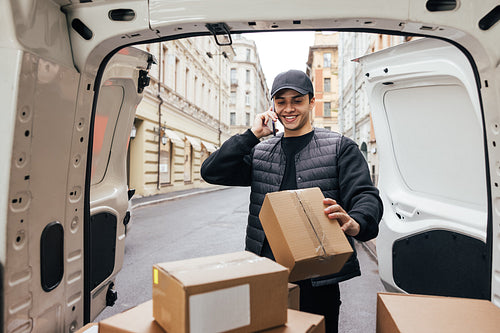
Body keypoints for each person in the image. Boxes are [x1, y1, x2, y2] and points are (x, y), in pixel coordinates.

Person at [201, 69, 383, 333]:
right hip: (266, 273)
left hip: (319, 277)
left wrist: (356, 222)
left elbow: (366, 195)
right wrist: (251, 135)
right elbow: (212, 171)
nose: (289, 108)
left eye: (297, 100)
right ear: (273, 106)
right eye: (281, 101)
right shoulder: (261, 151)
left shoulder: (339, 147)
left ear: (311, 102)